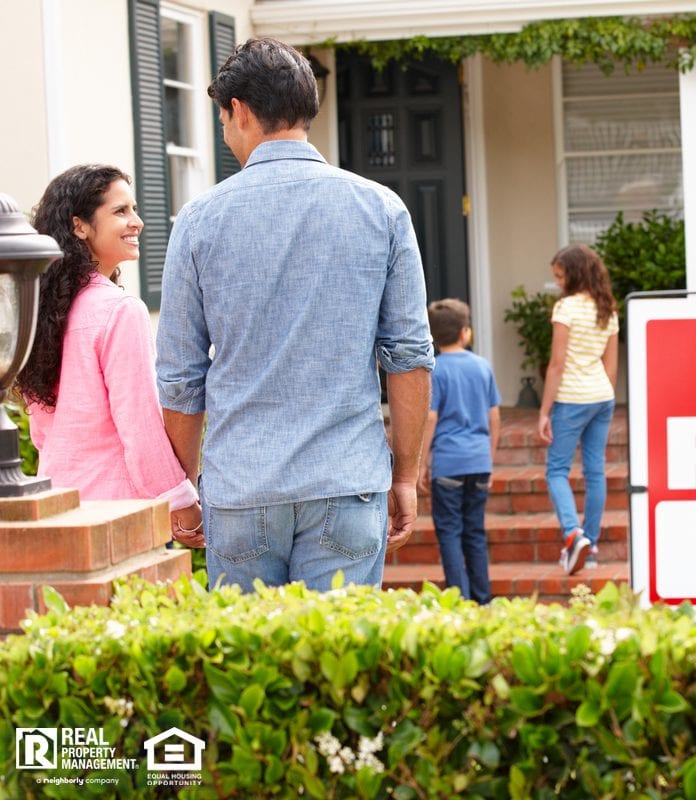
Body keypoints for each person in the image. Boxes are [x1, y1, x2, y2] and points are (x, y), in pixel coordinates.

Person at [156, 38, 433, 593]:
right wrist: (405, 474)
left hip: (242, 488)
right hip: (347, 479)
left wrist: (183, 487)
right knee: (338, 671)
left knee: (246, 670)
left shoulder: (198, 220)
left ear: (238, 110)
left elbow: (181, 379)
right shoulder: (382, 208)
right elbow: (409, 359)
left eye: (223, 118)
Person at [16, 165, 203, 546]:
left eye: (134, 210)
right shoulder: (119, 311)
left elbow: (41, 432)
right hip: (121, 513)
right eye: (120, 211)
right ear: (80, 226)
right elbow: (140, 427)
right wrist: (181, 502)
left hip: (60, 507)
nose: (137, 222)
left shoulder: (43, 310)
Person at [537, 244, 619, 575]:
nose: (557, 282)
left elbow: (556, 365)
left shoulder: (566, 308)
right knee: (595, 471)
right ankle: (592, 543)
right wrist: (604, 395)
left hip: (572, 398)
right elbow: (611, 366)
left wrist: (544, 411)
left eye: (559, 275)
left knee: (556, 470)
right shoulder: (607, 308)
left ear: (574, 273)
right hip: (602, 396)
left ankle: (573, 535)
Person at [418, 299, 501, 603]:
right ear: (466, 332)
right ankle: (483, 598)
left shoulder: (436, 370)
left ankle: (459, 600)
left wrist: (422, 463)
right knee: (475, 533)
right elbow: (494, 417)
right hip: (479, 460)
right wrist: (489, 460)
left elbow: (430, 418)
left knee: (450, 532)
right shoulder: (483, 367)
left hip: (449, 464)